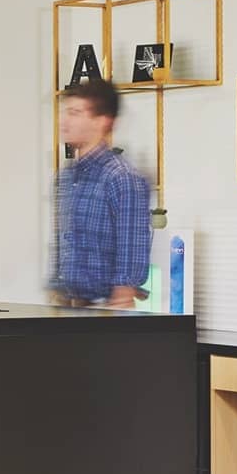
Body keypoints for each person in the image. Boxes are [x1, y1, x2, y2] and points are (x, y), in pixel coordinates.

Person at [50, 77, 152, 310]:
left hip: (104, 314)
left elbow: (129, 269)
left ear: (102, 122)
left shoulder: (122, 177)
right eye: (66, 112)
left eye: (75, 112)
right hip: (66, 311)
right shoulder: (65, 178)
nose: (64, 121)